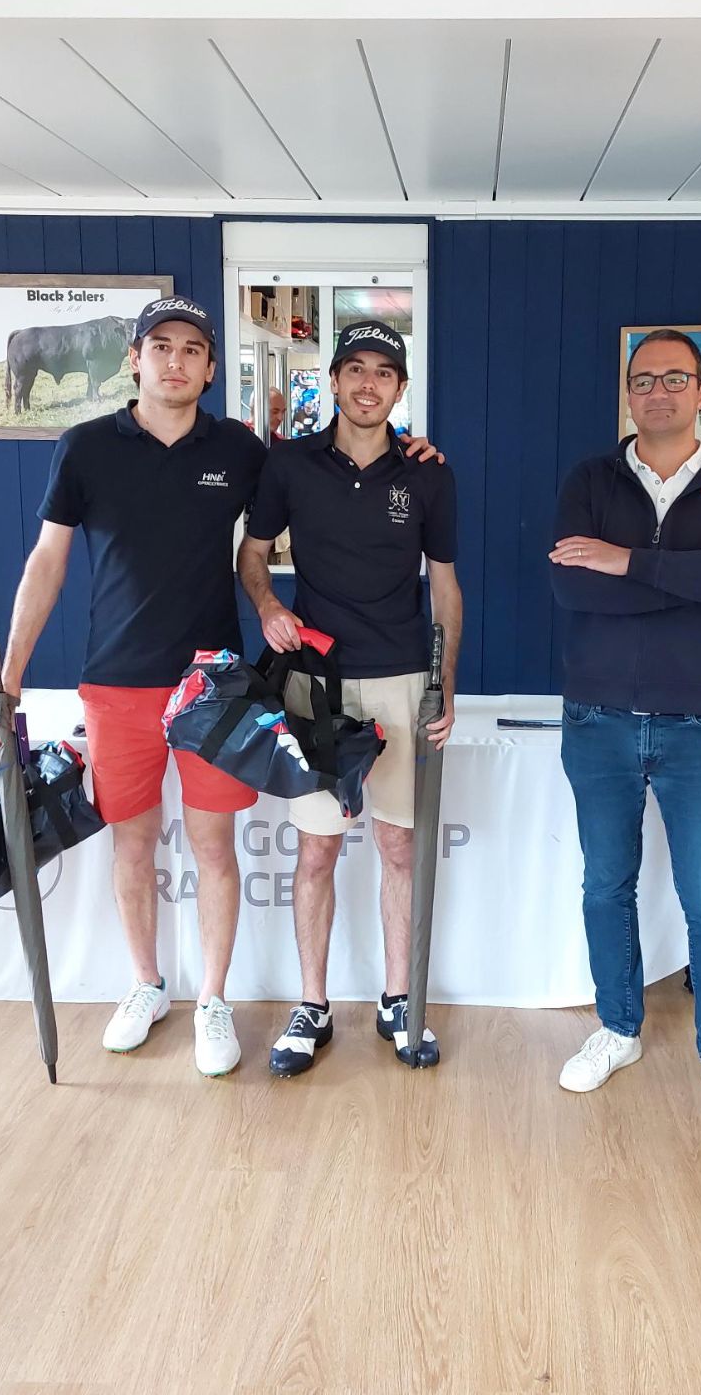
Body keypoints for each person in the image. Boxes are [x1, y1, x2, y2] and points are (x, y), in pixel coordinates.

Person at [0, 295, 260, 1078]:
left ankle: (213, 999)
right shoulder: (84, 449)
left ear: (210, 369)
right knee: (133, 844)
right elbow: (47, 562)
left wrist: (407, 451)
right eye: (161, 346)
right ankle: (147, 984)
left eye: (192, 350)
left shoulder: (239, 450)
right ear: (134, 358)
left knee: (214, 848)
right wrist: (9, 678)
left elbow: (307, 493)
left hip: (213, 684)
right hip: (116, 683)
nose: (175, 360)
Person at [547, 328, 701, 1129]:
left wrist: (626, 561)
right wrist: (699, 570)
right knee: (606, 886)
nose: (658, 392)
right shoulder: (591, 479)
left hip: (697, 723)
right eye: (644, 379)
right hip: (598, 719)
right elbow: (573, 589)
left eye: (675, 378)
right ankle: (618, 1029)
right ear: (629, 392)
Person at [238, 319, 462, 1076]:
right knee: (317, 850)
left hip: (401, 678)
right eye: (355, 369)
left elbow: (445, 586)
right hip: (315, 683)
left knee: (399, 847)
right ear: (332, 381)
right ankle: (313, 1006)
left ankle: (398, 999)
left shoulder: (428, 474)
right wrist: (269, 606)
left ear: (400, 389)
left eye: (384, 373)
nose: (369, 384)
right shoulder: (290, 464)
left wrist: (444, 681)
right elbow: (252, 554)